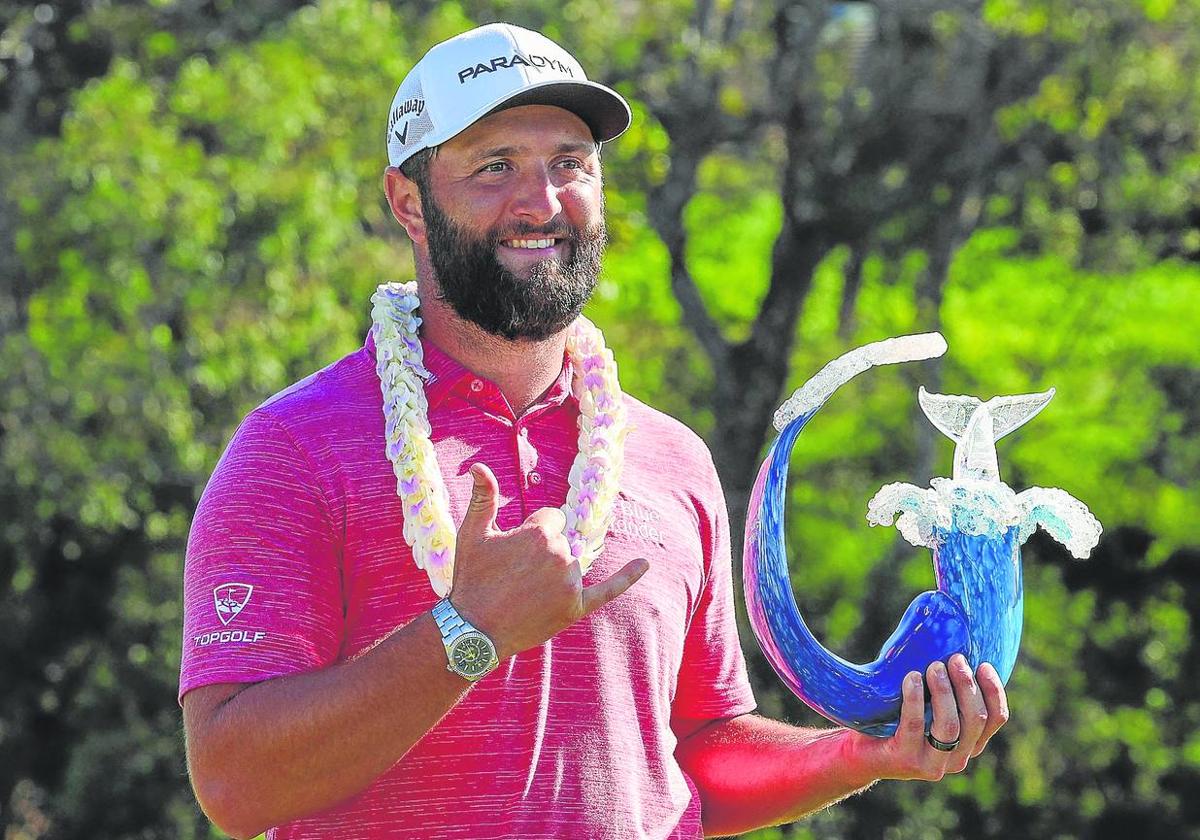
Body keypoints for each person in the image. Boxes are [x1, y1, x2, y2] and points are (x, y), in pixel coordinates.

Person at [180, 22, 1008, 840]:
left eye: (569, 165)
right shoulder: (293, 451)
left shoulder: (671, 461)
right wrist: (469, 633)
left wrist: (861, 752)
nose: (540, 202)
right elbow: (234, 783)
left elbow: (693, 758)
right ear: (409, 202)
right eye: (495, 166)